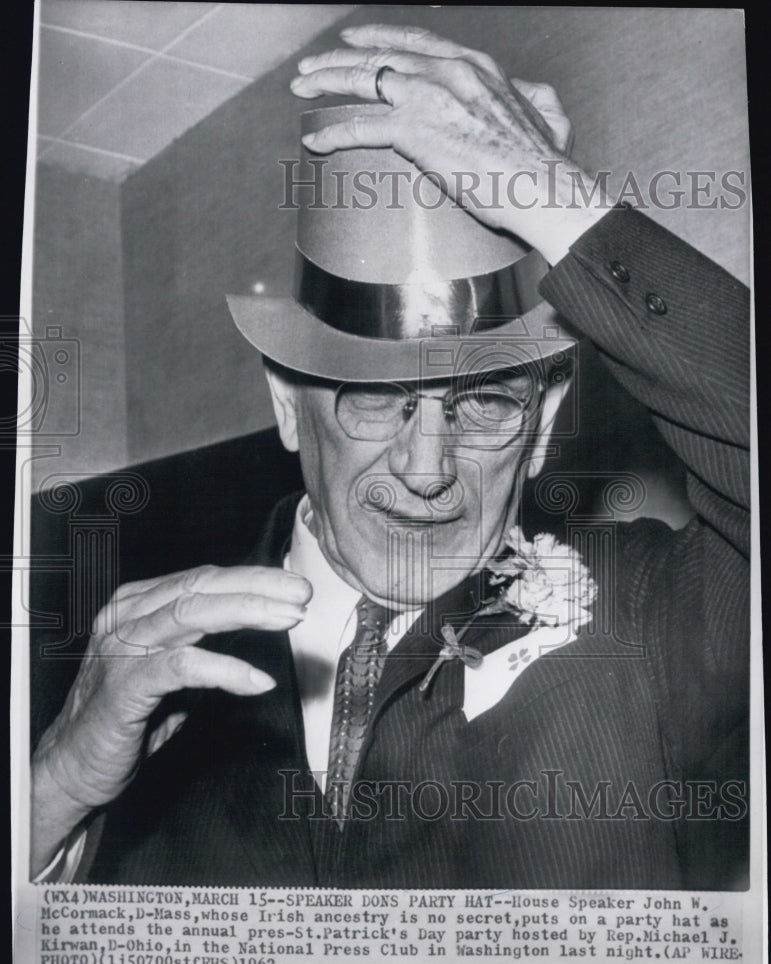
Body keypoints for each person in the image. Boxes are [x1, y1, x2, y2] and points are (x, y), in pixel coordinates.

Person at [30, 25, 749, 889]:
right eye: (375, 398)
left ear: (545, 418)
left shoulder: (652, 613)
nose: (425, 466)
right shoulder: (145, 669)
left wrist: (547, 197)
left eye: (484, 403)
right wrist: (57, 788)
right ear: (287, 407)